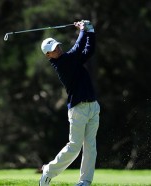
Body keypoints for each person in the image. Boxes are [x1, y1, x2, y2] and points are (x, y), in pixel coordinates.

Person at [39, 20, 100, 186]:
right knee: (74, 147)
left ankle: (85, 182)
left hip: (93, 106)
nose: (57, 49)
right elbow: (78, 48)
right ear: (48, 56)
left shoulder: (70, 59)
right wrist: (83, 30)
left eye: (57, 46)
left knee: (90, 148)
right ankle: (48, 171)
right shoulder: (62, 64)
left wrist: (91, 31)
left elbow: (89, 50)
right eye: (53, 50)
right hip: (78, 109)